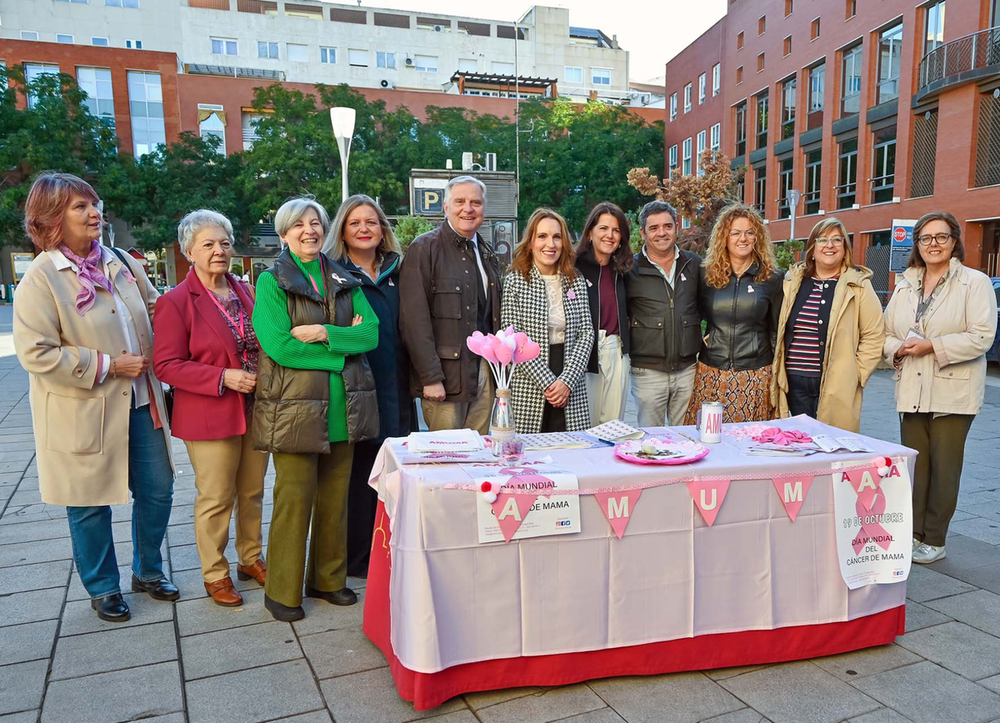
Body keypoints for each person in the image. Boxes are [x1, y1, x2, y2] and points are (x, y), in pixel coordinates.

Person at [13, 172, 176, 623]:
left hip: (142, 402)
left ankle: (148, 570)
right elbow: (35, 352)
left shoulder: (121, 260)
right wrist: (108, 365)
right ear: (52, 219)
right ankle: (103, 587)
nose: (94, 213)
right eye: (80, 207)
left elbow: (153, 308)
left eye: (95, 203)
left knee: (158, 489)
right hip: (84, 409)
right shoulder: (42, 279)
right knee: (88, 502)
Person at [251, 197, 380, 621]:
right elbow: (279, 346)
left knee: (334, 498)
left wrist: (325, 332)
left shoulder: (345, 277)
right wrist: (341, 351)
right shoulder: (272, 281)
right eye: (298, 225)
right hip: (295, 410)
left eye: (315, 223)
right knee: (294, 498)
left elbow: (372, 335)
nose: (309, 230)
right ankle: (282, 591)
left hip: (346, 407)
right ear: (284, 233)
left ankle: (327, 580)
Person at [153, 210, 268, 607]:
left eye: (224, 243)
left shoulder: (247, 290)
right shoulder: (176, 302)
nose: (219, 251)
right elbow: (165, 364)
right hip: (210, 412)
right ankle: (215, 573)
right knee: (217, 495)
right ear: (189, 251)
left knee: (252, 491)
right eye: (208, 244)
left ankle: (250, 557)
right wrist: (223, 377)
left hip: (255, 408)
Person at [883, 212, 997, 564]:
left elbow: (982, 336)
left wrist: (933, 346)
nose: (933, 244)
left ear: (954, 241)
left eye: (941, 237)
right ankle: (913, 533)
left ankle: (935, 538)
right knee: (916, 467)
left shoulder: (973, 282)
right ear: (916, 244)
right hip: (912, 388)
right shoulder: (905, 283)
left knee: (945, 468)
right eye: (926, 238)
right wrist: (896, 349)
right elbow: (886, 334)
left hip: (953, 390)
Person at [324, 194, 413, 578]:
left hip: (397, 383)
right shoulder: (331, 274)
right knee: (358, 476)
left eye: (372, 222)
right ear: (342, 231)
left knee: (395, 471)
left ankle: (394, 546)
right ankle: (356, 557)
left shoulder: (399, 269)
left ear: (383, 229)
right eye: (355, 222)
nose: (364, 229)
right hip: (354, 384)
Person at [400, 175, 502, 433]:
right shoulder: (424, 249)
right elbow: (414, 321)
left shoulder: (487, 253)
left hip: (483, 375)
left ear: (483, 209)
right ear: (445, 207)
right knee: (445, 462)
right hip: (445, 380)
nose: (468, 208)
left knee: (477, 456)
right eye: (460, 201)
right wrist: (431, 378)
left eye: (475, 202)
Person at [772, 218, 884, 431]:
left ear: (845, 248)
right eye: (822, 240)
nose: (829, 245)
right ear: (812, 248)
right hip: (794, 384)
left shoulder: (858, 286)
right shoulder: (792, 283)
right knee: (799, 446)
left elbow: (874, 334)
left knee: (834, 448)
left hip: (837, 384)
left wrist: (857, 374)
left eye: (836, 240)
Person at [684, 204, 783, 424]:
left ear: (757, 238)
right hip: (712, 372)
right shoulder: (706, 276)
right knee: (710, 440)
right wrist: (698, 340)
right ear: (724, 238)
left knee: (749, 443)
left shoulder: (772, 279)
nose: (743, 238)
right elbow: (691, 314)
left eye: (749, 232)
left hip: (755, 374)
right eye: (735, 233)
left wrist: (777, 373)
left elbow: (776, 329)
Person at [501, 208, 593, 433]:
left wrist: (566, 382)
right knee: (530, 457)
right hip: (531, 383)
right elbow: (512, 337)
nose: (550, 244)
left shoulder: (575, 279)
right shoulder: (515, 280)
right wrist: (549, 383)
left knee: (572, 452)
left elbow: (586, 333)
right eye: (542, 236)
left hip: (569, 381)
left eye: (556, 237)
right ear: (530, 241)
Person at [625, 200, 702, 427]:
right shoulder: (629, 269)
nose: (662, 233)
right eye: (654, 228)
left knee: (687, 438)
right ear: (643, 233)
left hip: (687, 370)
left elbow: (707, 306)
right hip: (647, 373)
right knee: (651, 442)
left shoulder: (694, 264)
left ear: (676, 228)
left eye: (667, 226)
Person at [575, 202, 632, 425]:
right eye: (603, 228)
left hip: (617, 349)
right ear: (590, 232)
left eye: (616, 230)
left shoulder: (624, 270)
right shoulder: (573, 267)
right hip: (585, 351)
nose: (610, 235)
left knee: (613, 424)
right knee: (585, 423)